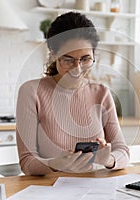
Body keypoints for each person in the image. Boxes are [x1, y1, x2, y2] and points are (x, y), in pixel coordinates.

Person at [16, 12, 129, 175]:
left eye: (85, 59)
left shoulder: (101, 93)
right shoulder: (31, 91)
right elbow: (27, 161)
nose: (77, 68)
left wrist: (108, 160)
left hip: (95, 190)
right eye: (68, 60)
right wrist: (55, 164)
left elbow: (123, 152)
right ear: (53, 55)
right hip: (50, 191)